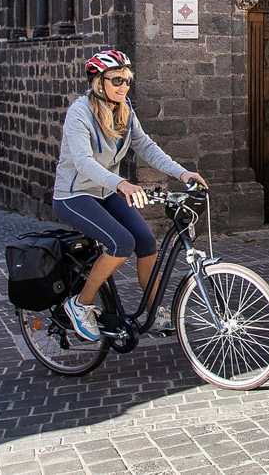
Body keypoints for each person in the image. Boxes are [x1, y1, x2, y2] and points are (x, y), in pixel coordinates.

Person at [52, 49, 209, 341]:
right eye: (116, 80)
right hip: (74, 195)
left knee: (147, 241)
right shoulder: (79, 113)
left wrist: (182, 173)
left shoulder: (124, 110)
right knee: (120, 242)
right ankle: (80, 304)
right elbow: (84, 162)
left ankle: (153, 312)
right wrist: (122, 184)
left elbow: (146, 147)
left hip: (106, 190)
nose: (124, 86)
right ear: (99, 83)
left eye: (127, 80)